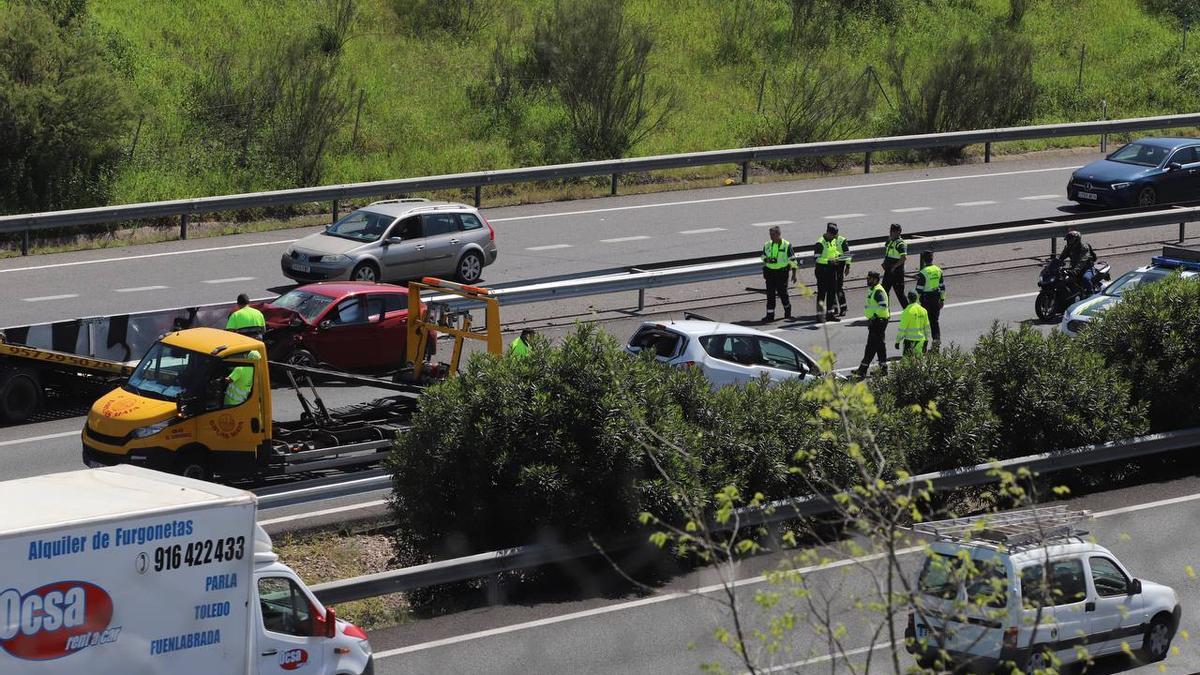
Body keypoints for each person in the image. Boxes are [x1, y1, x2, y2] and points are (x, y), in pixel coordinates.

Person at [855, 270, 890, 378]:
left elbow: (883, 305)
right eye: (867, 278)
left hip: (878, 321)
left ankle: (862, 370)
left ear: (875, 280)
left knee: (871, 346)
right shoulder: (874, 289)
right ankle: (883, 369)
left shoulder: (878, 291)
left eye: (869, 278)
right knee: (880, 345)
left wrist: (874, 316)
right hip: (878, 321)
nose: (867, 280)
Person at [761, 225, 798, 321]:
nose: (771, 237)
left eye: (773, 235)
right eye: (770, 235)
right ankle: (770, 316)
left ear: (778, 234)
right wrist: (767, 259)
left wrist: (794, 274)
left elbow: (793, 260)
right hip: (770, 273)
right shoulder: (767, 244)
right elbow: (762, 257)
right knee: (770, 294)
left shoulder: (786, 245)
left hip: (781, 273)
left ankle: (787, 311)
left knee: (783, 293)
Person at [915, 250, 946, 347]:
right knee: (934, 321)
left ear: (923, 259)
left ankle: (923, 344)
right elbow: (942, 287)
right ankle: (936, 339)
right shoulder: (938, 270)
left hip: (926, 300)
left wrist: (915, 303)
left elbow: (919, 290)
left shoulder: (923, 272)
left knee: (924, 322)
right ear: (932, 258)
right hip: (936, 298)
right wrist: (942, 299)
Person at [813, 224, 840, 322]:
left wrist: (838, 256)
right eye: (833, 235)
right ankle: (819, 315)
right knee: (822, 294)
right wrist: (829, 261)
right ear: (828, 233)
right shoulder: (820, 243)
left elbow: (833, 252)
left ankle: (830, 314)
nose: (834, 237)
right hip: (822, 271)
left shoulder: (832, 240)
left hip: (831, 270)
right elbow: (817, 258)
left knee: (832, 293)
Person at [895, 291, 931, 356]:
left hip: (909, 342)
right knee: (918, 363)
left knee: (907, 363)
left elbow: (902, 329)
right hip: (921, 341)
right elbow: (927, 327)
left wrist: (897, 341)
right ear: (917, 298)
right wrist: (927, 340)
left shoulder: (907, 311)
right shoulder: (923, 310)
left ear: (908, 298)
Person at [881, 223, 909, 308]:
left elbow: (903, 258)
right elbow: (888, 250)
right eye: (891, 231)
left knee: (900, 294)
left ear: (899, 232)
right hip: (888, 272)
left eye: (894, 231)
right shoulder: (890, 240)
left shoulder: (900, 244)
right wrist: (885, 263)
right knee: (884, 292)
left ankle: (909, 312)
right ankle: (885, 312)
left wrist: (894, 267)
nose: (891, 232)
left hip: (897, 273)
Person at [832, 226, 851, 317]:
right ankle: (835, 308)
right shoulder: (828, 240)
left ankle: (843, 308)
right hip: (831, 266)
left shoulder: (842, 240)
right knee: (831, 288)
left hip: (839, 266)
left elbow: (847, 254)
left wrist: (847, 266)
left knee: (838, 288)